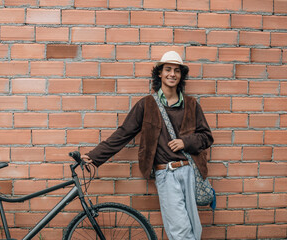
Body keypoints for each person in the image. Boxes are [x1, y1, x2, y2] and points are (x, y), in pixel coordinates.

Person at [81, 51, 214, 240]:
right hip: (166, 174)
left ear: (181, 75)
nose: (172, 74)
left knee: (193, 228)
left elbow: (206, 137)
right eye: (167, 69)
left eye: (177, 70)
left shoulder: (191, 104)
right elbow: (123, 134)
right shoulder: (146, 105)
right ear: (159, 73)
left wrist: (186, 141)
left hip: (190, 172)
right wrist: (94, 156)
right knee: (180, 230)